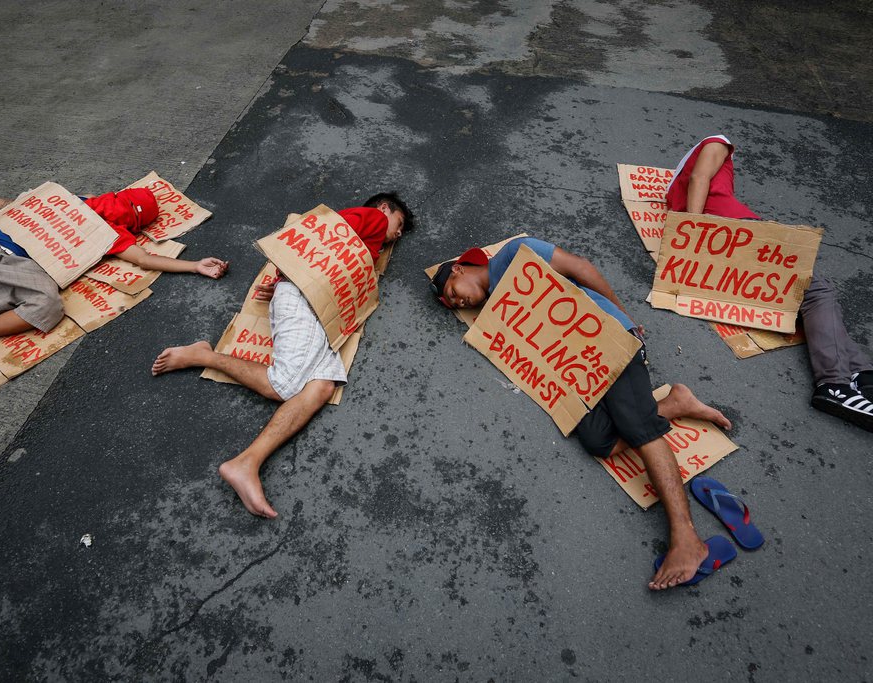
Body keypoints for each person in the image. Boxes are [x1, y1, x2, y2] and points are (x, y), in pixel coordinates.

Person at [430, 236, 733, 590]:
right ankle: (675, 403)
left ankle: (686, 538)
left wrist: (625, 323)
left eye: (452, 291)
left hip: (609, 338)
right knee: (597, 440)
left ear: (459, 268)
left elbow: (580, 267)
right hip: (578, 368)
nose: (458, 301)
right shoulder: (495, 313)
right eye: (452, 305)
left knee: (637, 427)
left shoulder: (514, 255)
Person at [151, 192, 413, 519]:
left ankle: (247, 463)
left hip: (315, 307)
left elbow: (321, 256)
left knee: (321, 386)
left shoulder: (367, 236)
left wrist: (288, 279)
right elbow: (323, 239)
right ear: (384, 209)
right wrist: (291, 278)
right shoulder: (371, 218)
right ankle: (205, 355)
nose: (398, 234)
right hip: (306, 301)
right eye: (399, 224)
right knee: (284, 385)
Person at [0, 187, 229, 383]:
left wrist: (195, 265)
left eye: (131, 215)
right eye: (124, 203)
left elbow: (146, 259)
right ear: (114, 196)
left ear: (131, 225)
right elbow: (30, 208)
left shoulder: (109, 235)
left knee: (47, 305)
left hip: (15, 266)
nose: (121, 211)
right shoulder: (73, 200)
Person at [667, 135, 873, 431]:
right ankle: (835, 384)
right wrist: (697, 237)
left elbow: (696, 180)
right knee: (815, 291)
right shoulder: (717, 142)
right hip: (734, 232)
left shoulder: (675, 189)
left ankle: (862, 374)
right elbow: (700, 177)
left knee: (806, 297)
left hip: (722, 241)